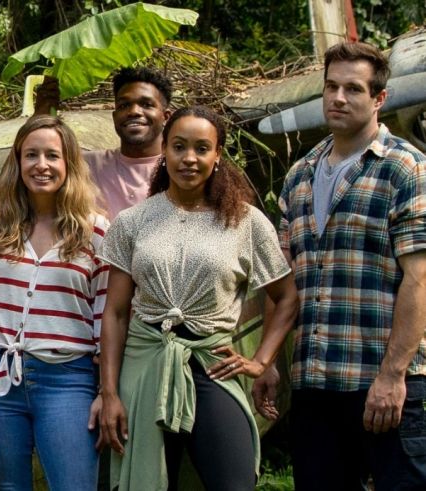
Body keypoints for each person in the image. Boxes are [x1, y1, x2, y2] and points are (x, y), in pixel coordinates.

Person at [252, 42, 426, 490]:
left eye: (353, 88)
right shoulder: (299, 175)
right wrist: (267, 361)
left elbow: (420, 279)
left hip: (385, 384)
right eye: (331, 87)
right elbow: (283, 282)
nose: (338, 98)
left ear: (379, 99)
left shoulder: (405, 169)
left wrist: (392, 376)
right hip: (315, 382)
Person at [98, 106, 298, 491]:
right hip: (143, 367)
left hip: (211, 363)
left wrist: (261, 361)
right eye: (179, 147)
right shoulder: (133, 221)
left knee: (235, 481)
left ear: (217, 154)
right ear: (165, 151)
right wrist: (110, 394)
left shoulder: (246, 221)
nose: (189, 158)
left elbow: (286, 297)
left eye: (201, 148)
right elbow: (116, 314)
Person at [0, 115, 108, 489]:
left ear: (69, 164)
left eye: (52, 155)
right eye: (31, 155)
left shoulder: (96, 231)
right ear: (17, 161)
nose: (41, 165)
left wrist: (106, 392)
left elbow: (106, 318)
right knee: (6, 486)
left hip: (68, 378)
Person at [36, 67, 172, 220]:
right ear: (114, 117)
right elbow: (25, 171)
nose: (134, 111)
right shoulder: (86, 165)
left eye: (146, 105)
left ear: (166, 117)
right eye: (124, 105)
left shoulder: (180, 170)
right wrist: (41, 113)